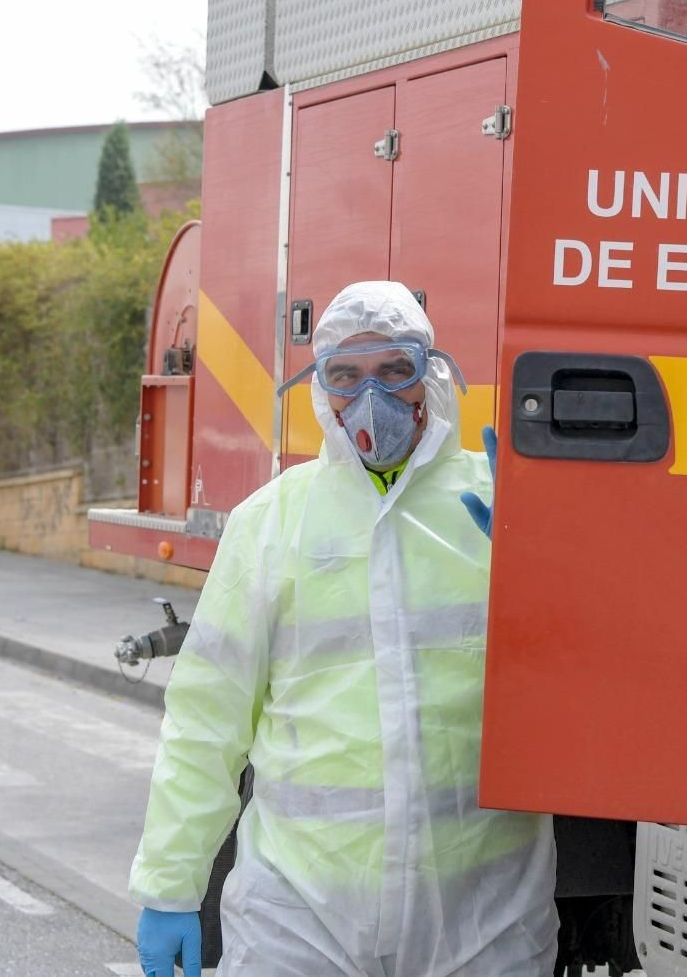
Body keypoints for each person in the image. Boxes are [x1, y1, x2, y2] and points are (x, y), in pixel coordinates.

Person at [130, 281, 557, 977]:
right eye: (346, 375)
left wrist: (546, 558)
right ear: (319, 389)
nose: (373, 396)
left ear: (433, 376)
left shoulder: (496, 507)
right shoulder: (272, 523)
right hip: (299, 916)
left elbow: (580, 678)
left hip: (484, 912)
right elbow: (207, 720)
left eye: (396, 371)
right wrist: (170, 886)